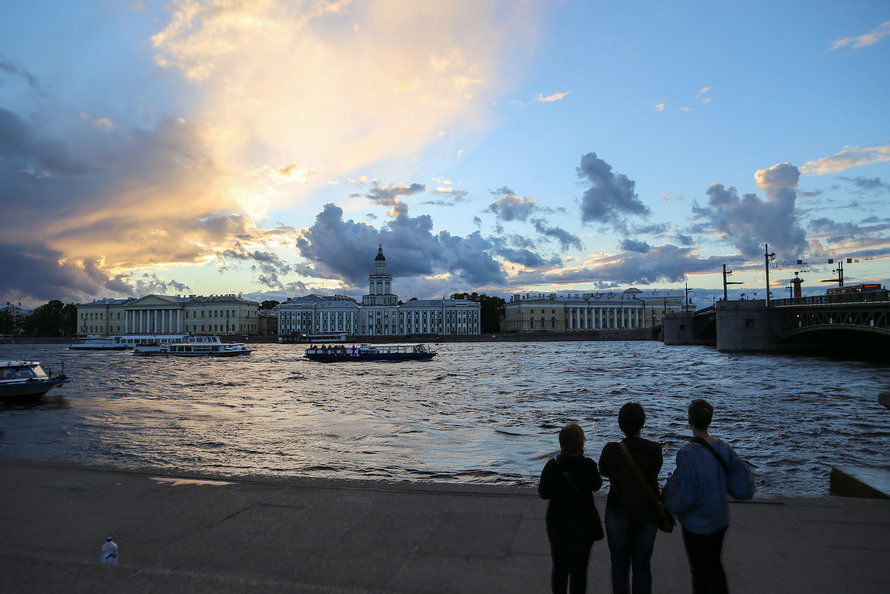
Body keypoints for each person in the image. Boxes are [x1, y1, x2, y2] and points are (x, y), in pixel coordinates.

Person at [662, 399, 755, 594]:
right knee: (715, 564)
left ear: (689, 421)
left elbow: (684, 495)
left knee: (699, 571)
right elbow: (742, 486)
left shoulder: (687, 453)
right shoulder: (724, 448)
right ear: (709, 420)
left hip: (697, 523)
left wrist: (667, 501)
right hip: (720, 517)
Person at [598, 402, 663, 594]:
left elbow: (603, 470)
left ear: (620, 425)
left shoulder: (611, 449)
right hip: (647, 512)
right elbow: (654, 471)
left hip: (618, 510)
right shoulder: (654, 449)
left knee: (619, 566)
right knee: (642, 566)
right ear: (642, 424)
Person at [539, 422, 603, 594]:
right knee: (579, 570)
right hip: (583, 523)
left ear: (561, 444)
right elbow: (597, 485)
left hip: (558, 522)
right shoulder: (589, 465)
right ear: (581, 442)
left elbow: (543, 493)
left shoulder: (552, 466)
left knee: (560, 568)